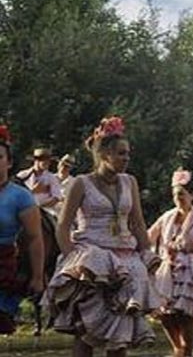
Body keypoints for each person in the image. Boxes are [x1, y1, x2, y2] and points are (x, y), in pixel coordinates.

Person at [42, 116, 162, 355]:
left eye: (128, 153)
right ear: (104, 154)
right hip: (92, 262)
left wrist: (147, 254)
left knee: (120, 335)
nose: (126, 158)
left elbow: (138, 223)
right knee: (87, 333)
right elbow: (63, 226)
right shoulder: (80, 184)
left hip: (125, 261)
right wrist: (71, 261)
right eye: (121, 153)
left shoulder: (130, 182)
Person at [148, 168, 193, 357]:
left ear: (191, 195)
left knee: (186, 317)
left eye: (181, 194)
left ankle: (186, 352)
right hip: (167, 272)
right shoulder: (166, 217)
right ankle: (177, 349)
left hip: (191, 273)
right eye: (175, 195)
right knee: (164, 314)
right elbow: (148, 236)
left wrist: (189, 246)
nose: (178, 198)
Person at [0, 125, 46, 335]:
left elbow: (35, 238)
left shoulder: (21, 196)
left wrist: (37, 276)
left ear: (8, 162)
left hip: (3, 265)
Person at [16, 147, 63, 215]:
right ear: (36, 161)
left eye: (48, 160)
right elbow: (16, 196)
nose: (48, 163)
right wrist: (33, 191)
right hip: (24, 210)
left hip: (46, 211)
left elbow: (56, 198)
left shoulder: (51, 178)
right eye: (44, 160)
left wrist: (39, 207)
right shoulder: (22, 175)